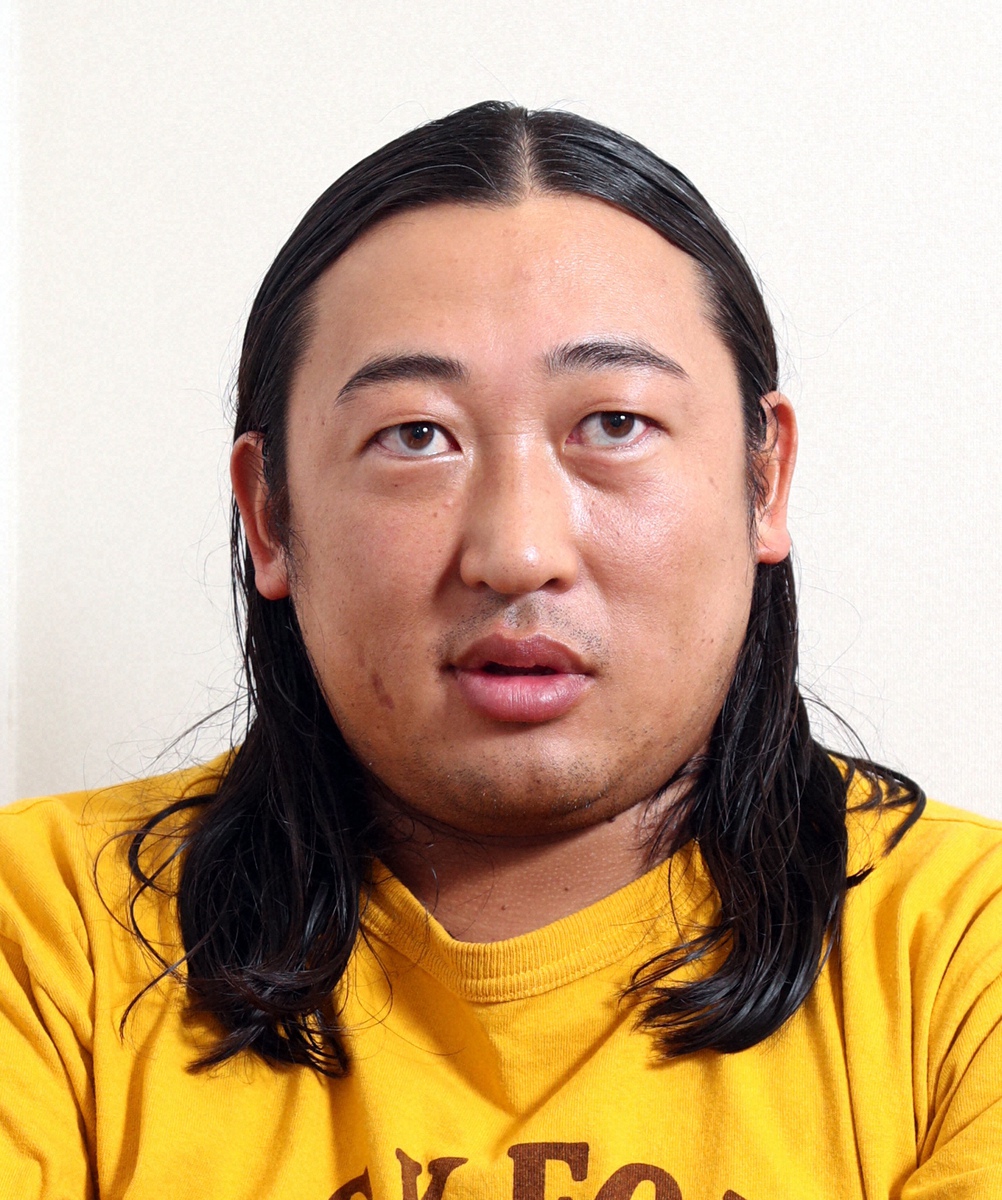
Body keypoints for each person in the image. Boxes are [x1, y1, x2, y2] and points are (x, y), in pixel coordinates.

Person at [1, 101, 1000, 1200]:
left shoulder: (968, 952)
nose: (519, 553)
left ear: (764, 482)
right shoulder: (46, 933)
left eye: (614, 424)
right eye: (415, 435)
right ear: (270, 515)